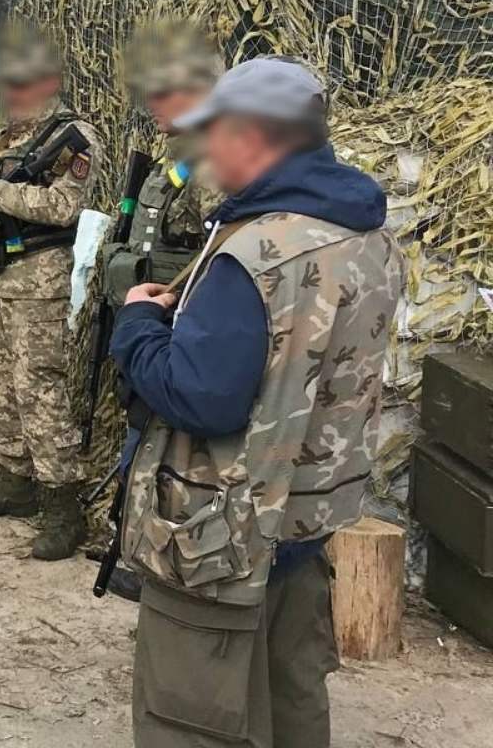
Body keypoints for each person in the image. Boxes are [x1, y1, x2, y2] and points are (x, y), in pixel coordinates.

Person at [110, 58, 401, 748]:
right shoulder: (369, 234)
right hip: (305, 518)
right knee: (292, 693)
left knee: (191, 713)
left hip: (220, 532)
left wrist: (134, 329)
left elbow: (201, 397)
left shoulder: (256, 253)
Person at [0, 36, 103, 560]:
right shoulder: (8, 136)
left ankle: (63, 505)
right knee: (3, 384)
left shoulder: (75, 138)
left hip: (39, 285)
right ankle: (13, 479)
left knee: (41, 389)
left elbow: (63, 207)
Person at [90, 31, 225, 598]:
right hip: (148, 325)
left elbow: (220, 254)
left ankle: (158, 568)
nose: (150, 101)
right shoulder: (178, 158)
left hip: (176, 333)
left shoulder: (212, 163)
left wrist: (170, 302)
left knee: (162, 450)